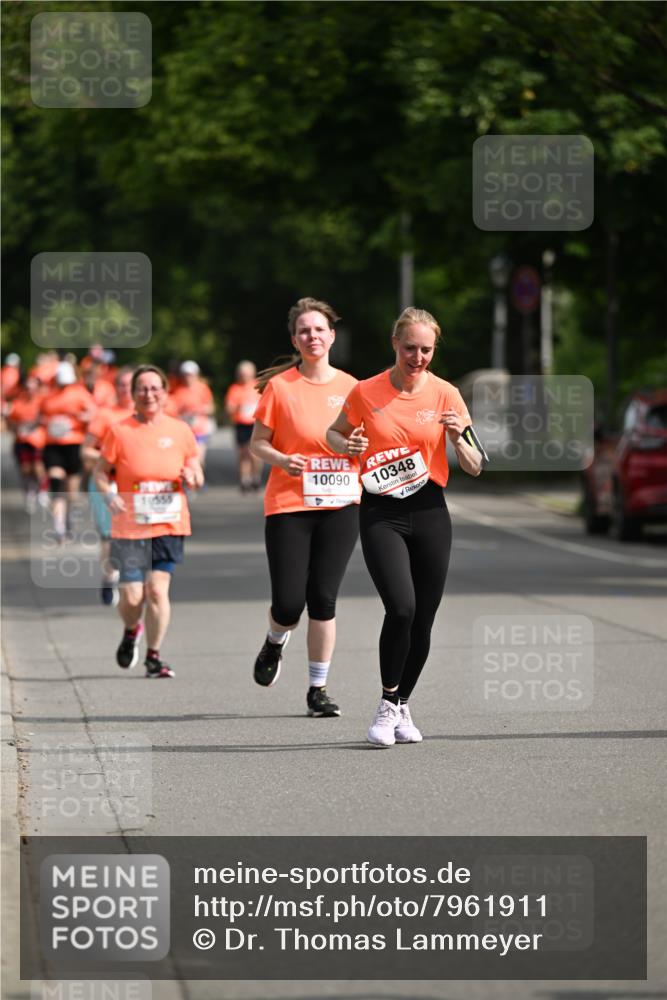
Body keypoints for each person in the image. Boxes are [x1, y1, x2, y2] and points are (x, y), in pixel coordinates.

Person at [327, 307, 484, 747]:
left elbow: (475, 465)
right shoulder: (365, 391)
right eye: (410, 347)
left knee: (425, 619)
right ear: (394, 344)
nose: (418, 357)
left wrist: (458, 438)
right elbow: (334, 434)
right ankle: (386, 701)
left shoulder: (447, 394)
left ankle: (403, 705)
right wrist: (349, 442)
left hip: (430, 510)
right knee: (402, 608)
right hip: (381, 511)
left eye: (426, 350)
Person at [249, 297, 361, 717]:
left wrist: (360, 448)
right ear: (295, 341)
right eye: (304, 331)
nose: (312, 336)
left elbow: (369, 442)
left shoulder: (353, 388)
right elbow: (257, 443)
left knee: (323, 597)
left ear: (332, 336)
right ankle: (275, 640)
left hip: (341, 502)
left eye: (319, 329)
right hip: (289, 503)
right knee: (289, 602)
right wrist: (282, 459)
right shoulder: (281, 388)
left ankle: (318, 689)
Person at [94, 365, 204, 678]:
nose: (149, 394)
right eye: (142, 388)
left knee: (156, 590)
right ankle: (132, 629)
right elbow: (100, 471)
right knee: (132, 596)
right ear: (133, 395)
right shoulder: (119, 431)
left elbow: (195, 470)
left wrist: (193, 477)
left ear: (166, 393)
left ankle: (154, 656)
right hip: (130, 524)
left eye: (155, 388)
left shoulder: (180, 430)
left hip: (169, 522)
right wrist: (108, 493)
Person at [81, 367, 135, 606]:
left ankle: (133, 577)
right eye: (121, 384)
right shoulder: (105, 415)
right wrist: (111, 459)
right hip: (106, 482)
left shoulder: (146, 415)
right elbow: (85, 450)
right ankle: (109, 576)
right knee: (110, 535)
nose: (126, 389)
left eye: (130, 384)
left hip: (137, 485)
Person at [39, 361, 95, 541]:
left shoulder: (80, 394)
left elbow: (94, 413)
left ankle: (69, 518)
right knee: (56, 482)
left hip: (73, 445)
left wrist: (79, 418)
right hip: (53, 445)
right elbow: (40, 416)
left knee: (71, 489)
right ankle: (59, 526)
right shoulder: (48, 396)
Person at [6, 372, 47, 513]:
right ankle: (30, 491)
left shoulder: (43, 400)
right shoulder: (18, 402)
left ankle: (43, 490)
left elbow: (47, 416)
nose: (30, 389)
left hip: (38, 440)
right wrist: (16, 428)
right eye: (28, 386)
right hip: (22, 439)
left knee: (38, 466)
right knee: (25, 468)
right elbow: (10, 420)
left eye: (33, 386)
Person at [166, 360, 215, 468]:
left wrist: (200, 410)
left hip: (200, 429)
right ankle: (190, 481)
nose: (188, 377)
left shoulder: (203, 388)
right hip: (185, 429)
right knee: (186, 459)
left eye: (190, 375)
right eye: (185, 375)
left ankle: (199, 479)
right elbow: (174, 410)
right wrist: (183, 413)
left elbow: (211, 407)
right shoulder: (178, 391)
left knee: (199, 457)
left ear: (196, 375)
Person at [224, 360, 262, 492]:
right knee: (242, 453)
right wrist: (237, 407)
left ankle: (255, 476)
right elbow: (228, 409)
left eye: (246, 373)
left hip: (255, 424)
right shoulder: (234, 389)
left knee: (255, 453)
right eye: (241, 373)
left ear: (252, 373)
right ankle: (244, 480)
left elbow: (266, 404)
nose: (243, 376)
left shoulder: (258, 386)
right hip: (241, 424)